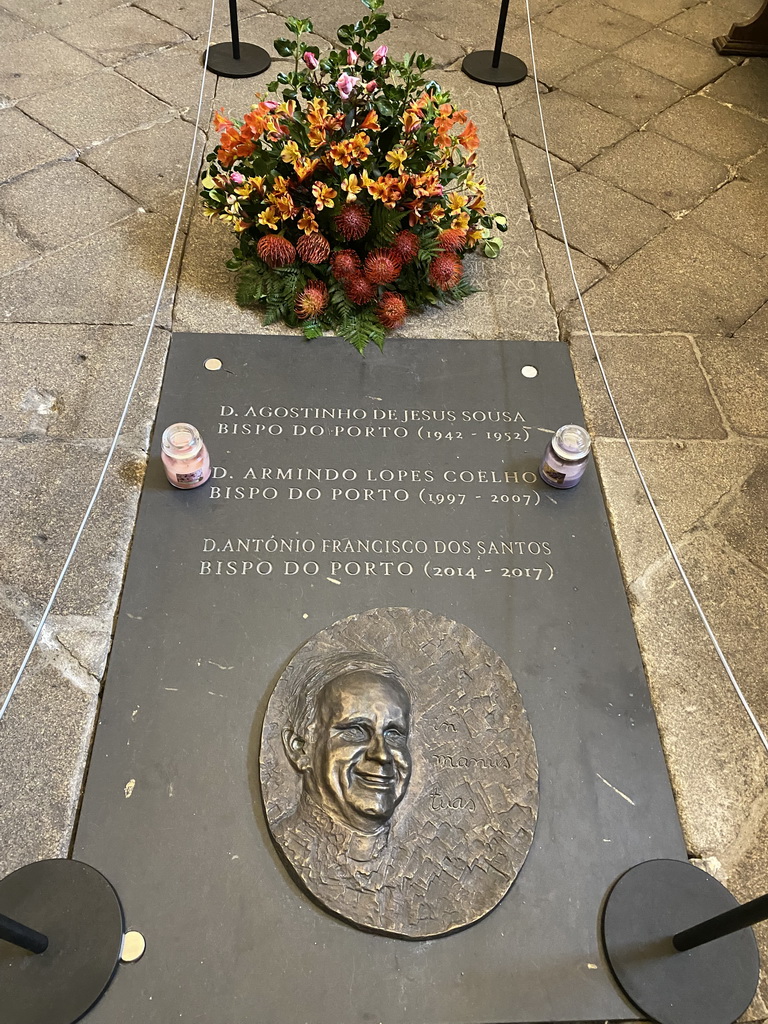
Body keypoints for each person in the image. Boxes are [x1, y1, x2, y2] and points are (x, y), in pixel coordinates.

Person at [271, 653, 413, 918]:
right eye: (355, 731)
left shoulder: (425, 874)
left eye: (394, 734)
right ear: (301, 749)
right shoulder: (290, 845)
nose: (381, 754)